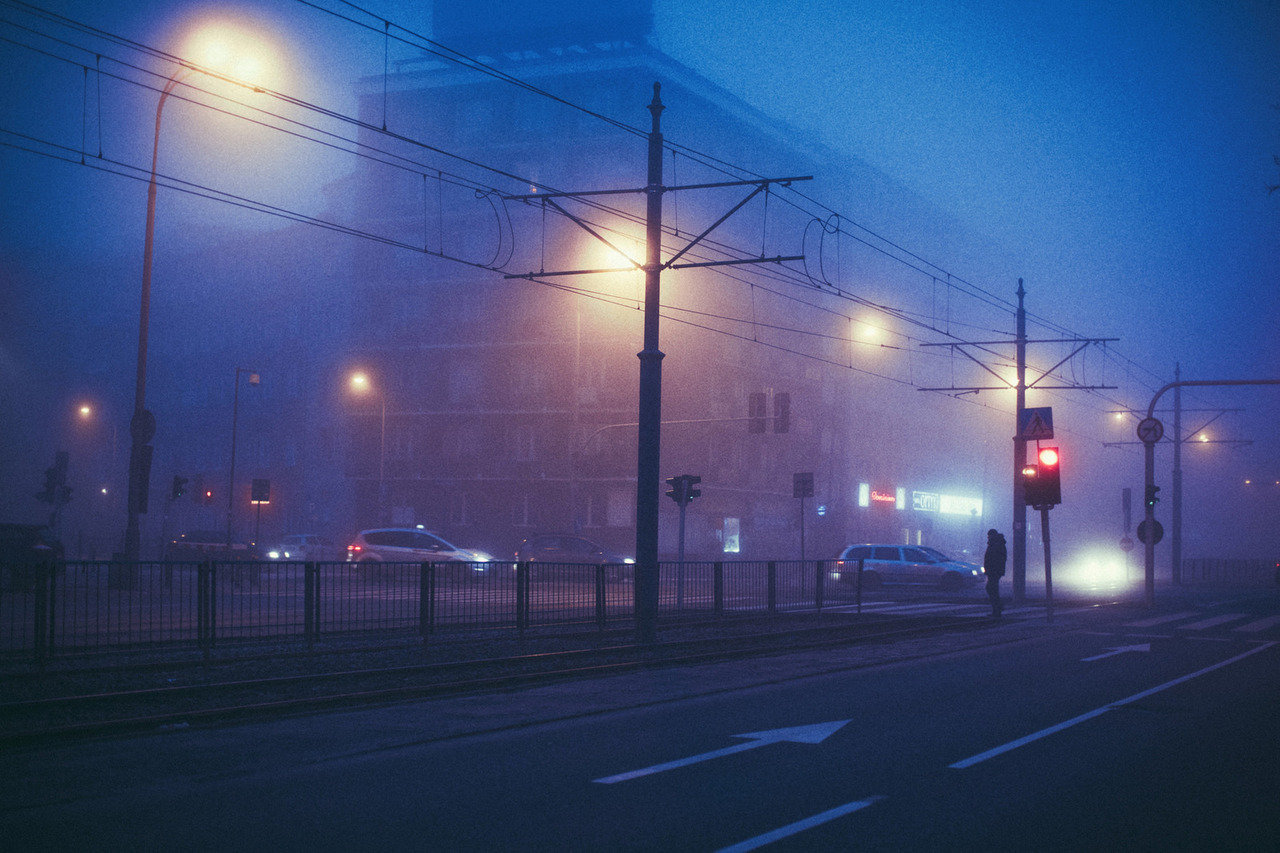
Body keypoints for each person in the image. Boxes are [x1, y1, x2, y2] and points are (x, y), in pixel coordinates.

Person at [983, 529, 1007, 616]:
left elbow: (993, 558)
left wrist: (990, 568)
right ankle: (997, 608)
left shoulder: (995, 544)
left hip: (994, 570)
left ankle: (997, 608)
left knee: (991, 589)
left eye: (988, 535)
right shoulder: (998, 543)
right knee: (992, 589)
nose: (988, 537)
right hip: (995, 570)